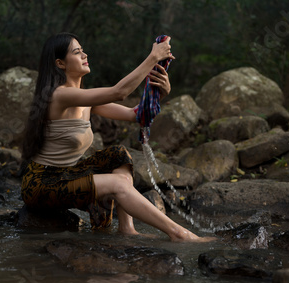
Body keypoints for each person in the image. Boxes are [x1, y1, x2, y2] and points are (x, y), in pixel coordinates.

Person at [21, 32, 212, 242]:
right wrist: (153, 58)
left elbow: (136, 116)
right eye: (77, 52)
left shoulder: (86, 99)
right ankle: (179, 233)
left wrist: (161, 94)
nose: (85, 55)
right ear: (60, 63)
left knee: (118, 155)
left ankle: (127, 229)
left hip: (68, 174)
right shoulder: (59, 95)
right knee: (118, 184)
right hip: (42, 184)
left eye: (83, 50)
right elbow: (119, 92)